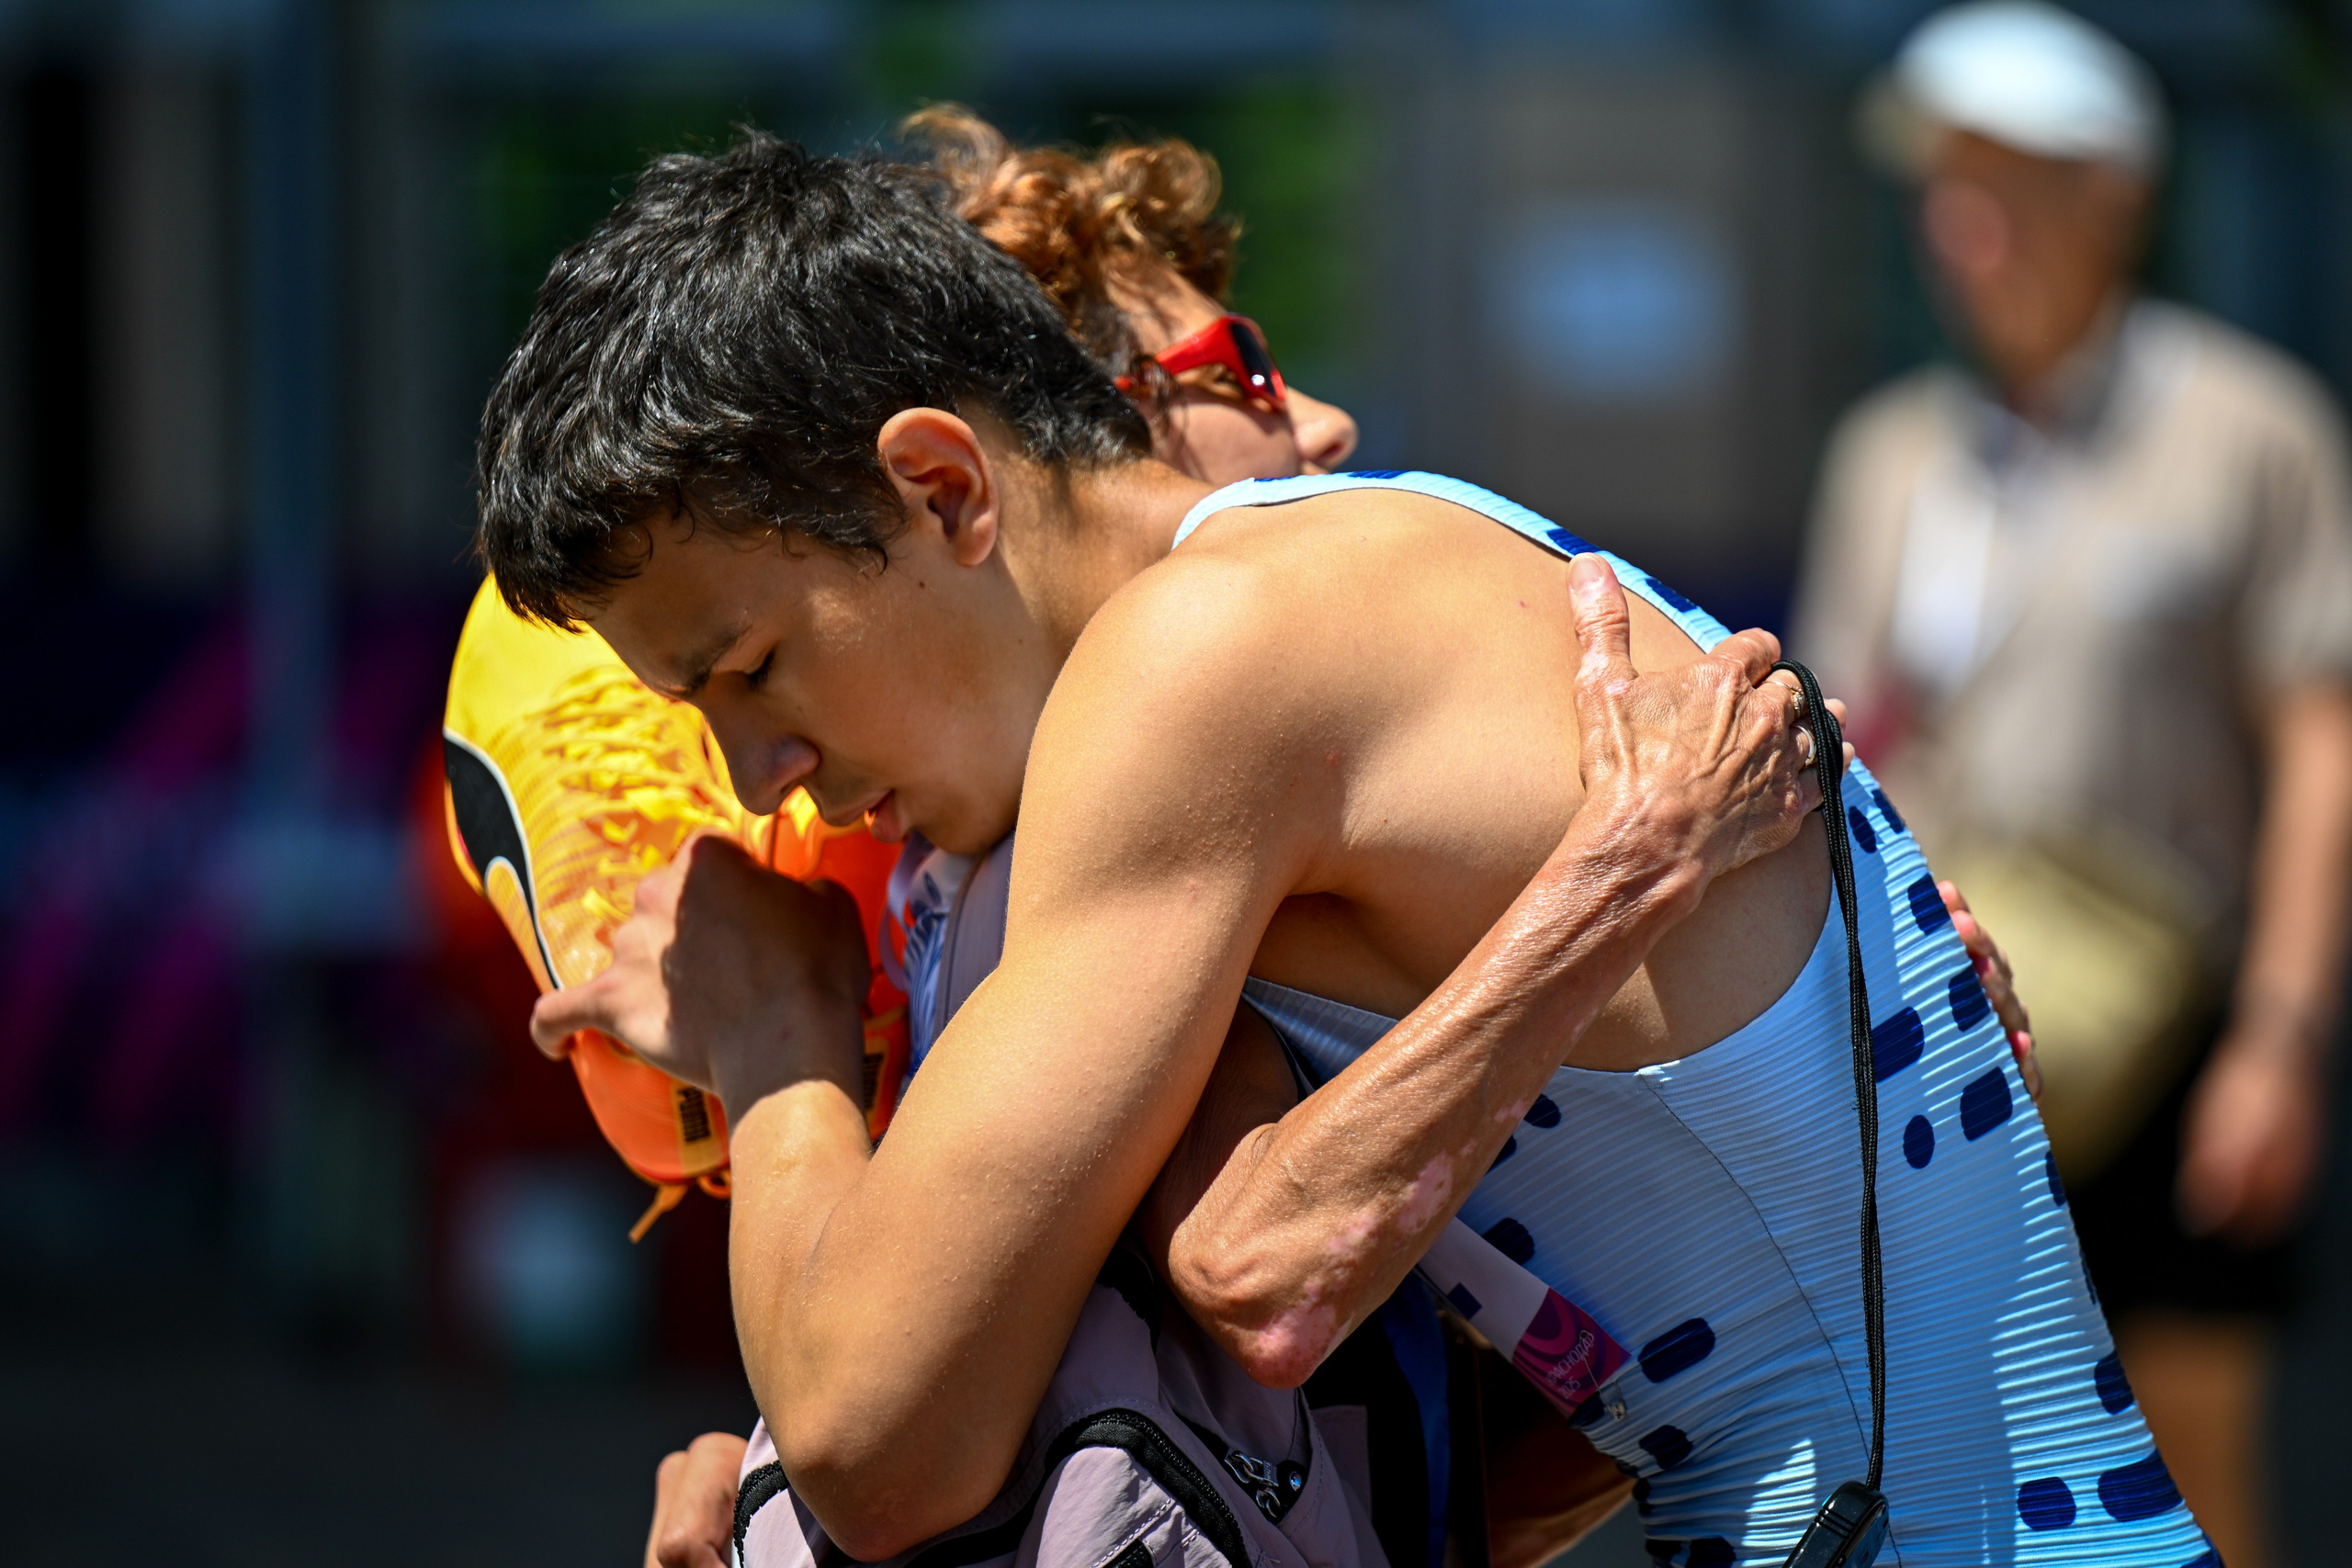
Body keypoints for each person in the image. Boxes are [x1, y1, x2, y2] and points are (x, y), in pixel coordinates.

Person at [482, 130, 2174, 1564]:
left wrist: (781, 1040)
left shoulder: (1207, 662)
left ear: (942, 490)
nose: (762, 775)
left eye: (752, 670)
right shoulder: (1261, 671)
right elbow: (1408, 1463)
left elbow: (877, 1444)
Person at [1795, 7, 2352, 1565]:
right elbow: (1846, 756)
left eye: (2007, 185)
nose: (1964, 230)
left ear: (2118, 192)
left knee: (2189, 1456)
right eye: (1942, 189)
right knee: (1968, 1455)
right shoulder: (1893, 454)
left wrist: (2283, 1042)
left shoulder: (2251, 430)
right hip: (1960, 1031)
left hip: (2180, 1026)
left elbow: (2323, 748)